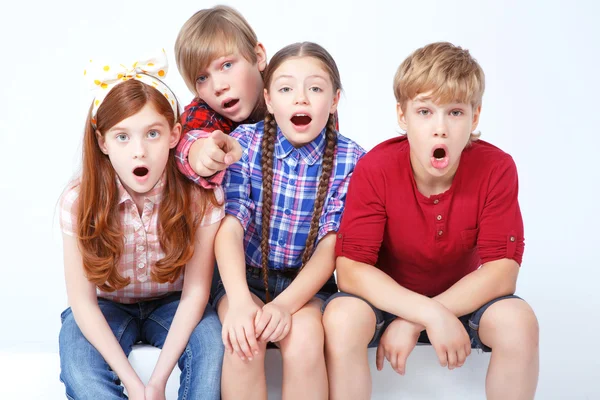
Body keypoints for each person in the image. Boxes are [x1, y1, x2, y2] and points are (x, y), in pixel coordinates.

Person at [322, 42, 539, 400]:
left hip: (464, 301)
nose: (440, 128)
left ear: (475, 117)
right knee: (341, 318)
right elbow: (350, 270)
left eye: (455, 113)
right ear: (403, 116)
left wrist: (422, 318)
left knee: (519, 323)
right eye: (425, 112)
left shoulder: (496, 168)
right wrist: (424, 313)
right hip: (387, 301)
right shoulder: (376, 168)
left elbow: (502, 270)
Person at [58, 52, 225, 400]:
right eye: (122, 137)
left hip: (175, 302)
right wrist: (135, 386)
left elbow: (196, 293)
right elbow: (83, 303)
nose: (139, 151)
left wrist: (157, 382)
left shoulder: (200, 197)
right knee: (79, 369)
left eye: (152, 133)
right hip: (107, 305)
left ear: (174, 134)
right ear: (102, 142)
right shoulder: (78, 201)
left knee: (211, 351)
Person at [214, 42, 365, 400]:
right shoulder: (245, 144)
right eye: (286, 89)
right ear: (268, 99)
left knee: (306, 340)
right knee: (243, 341)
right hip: (244, 279)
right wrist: (238, 300)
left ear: (335, 100)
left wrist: (285, 304)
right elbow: (229, 226)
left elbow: (332, 244)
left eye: (315, 88)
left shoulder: (353, 160)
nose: (301, 99)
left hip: (307, 286)